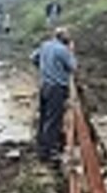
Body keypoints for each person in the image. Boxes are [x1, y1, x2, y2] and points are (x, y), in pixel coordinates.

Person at [31, 28, 77, 162]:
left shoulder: (45, 46)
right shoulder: (62, 50)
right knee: (53, 120)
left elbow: (33, 58)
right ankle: (49, 151)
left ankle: (41, 146)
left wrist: (44, 69)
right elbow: (73, 66)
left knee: (44, 117)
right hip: (57, 88)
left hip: (45, 86)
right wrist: (71, 52)